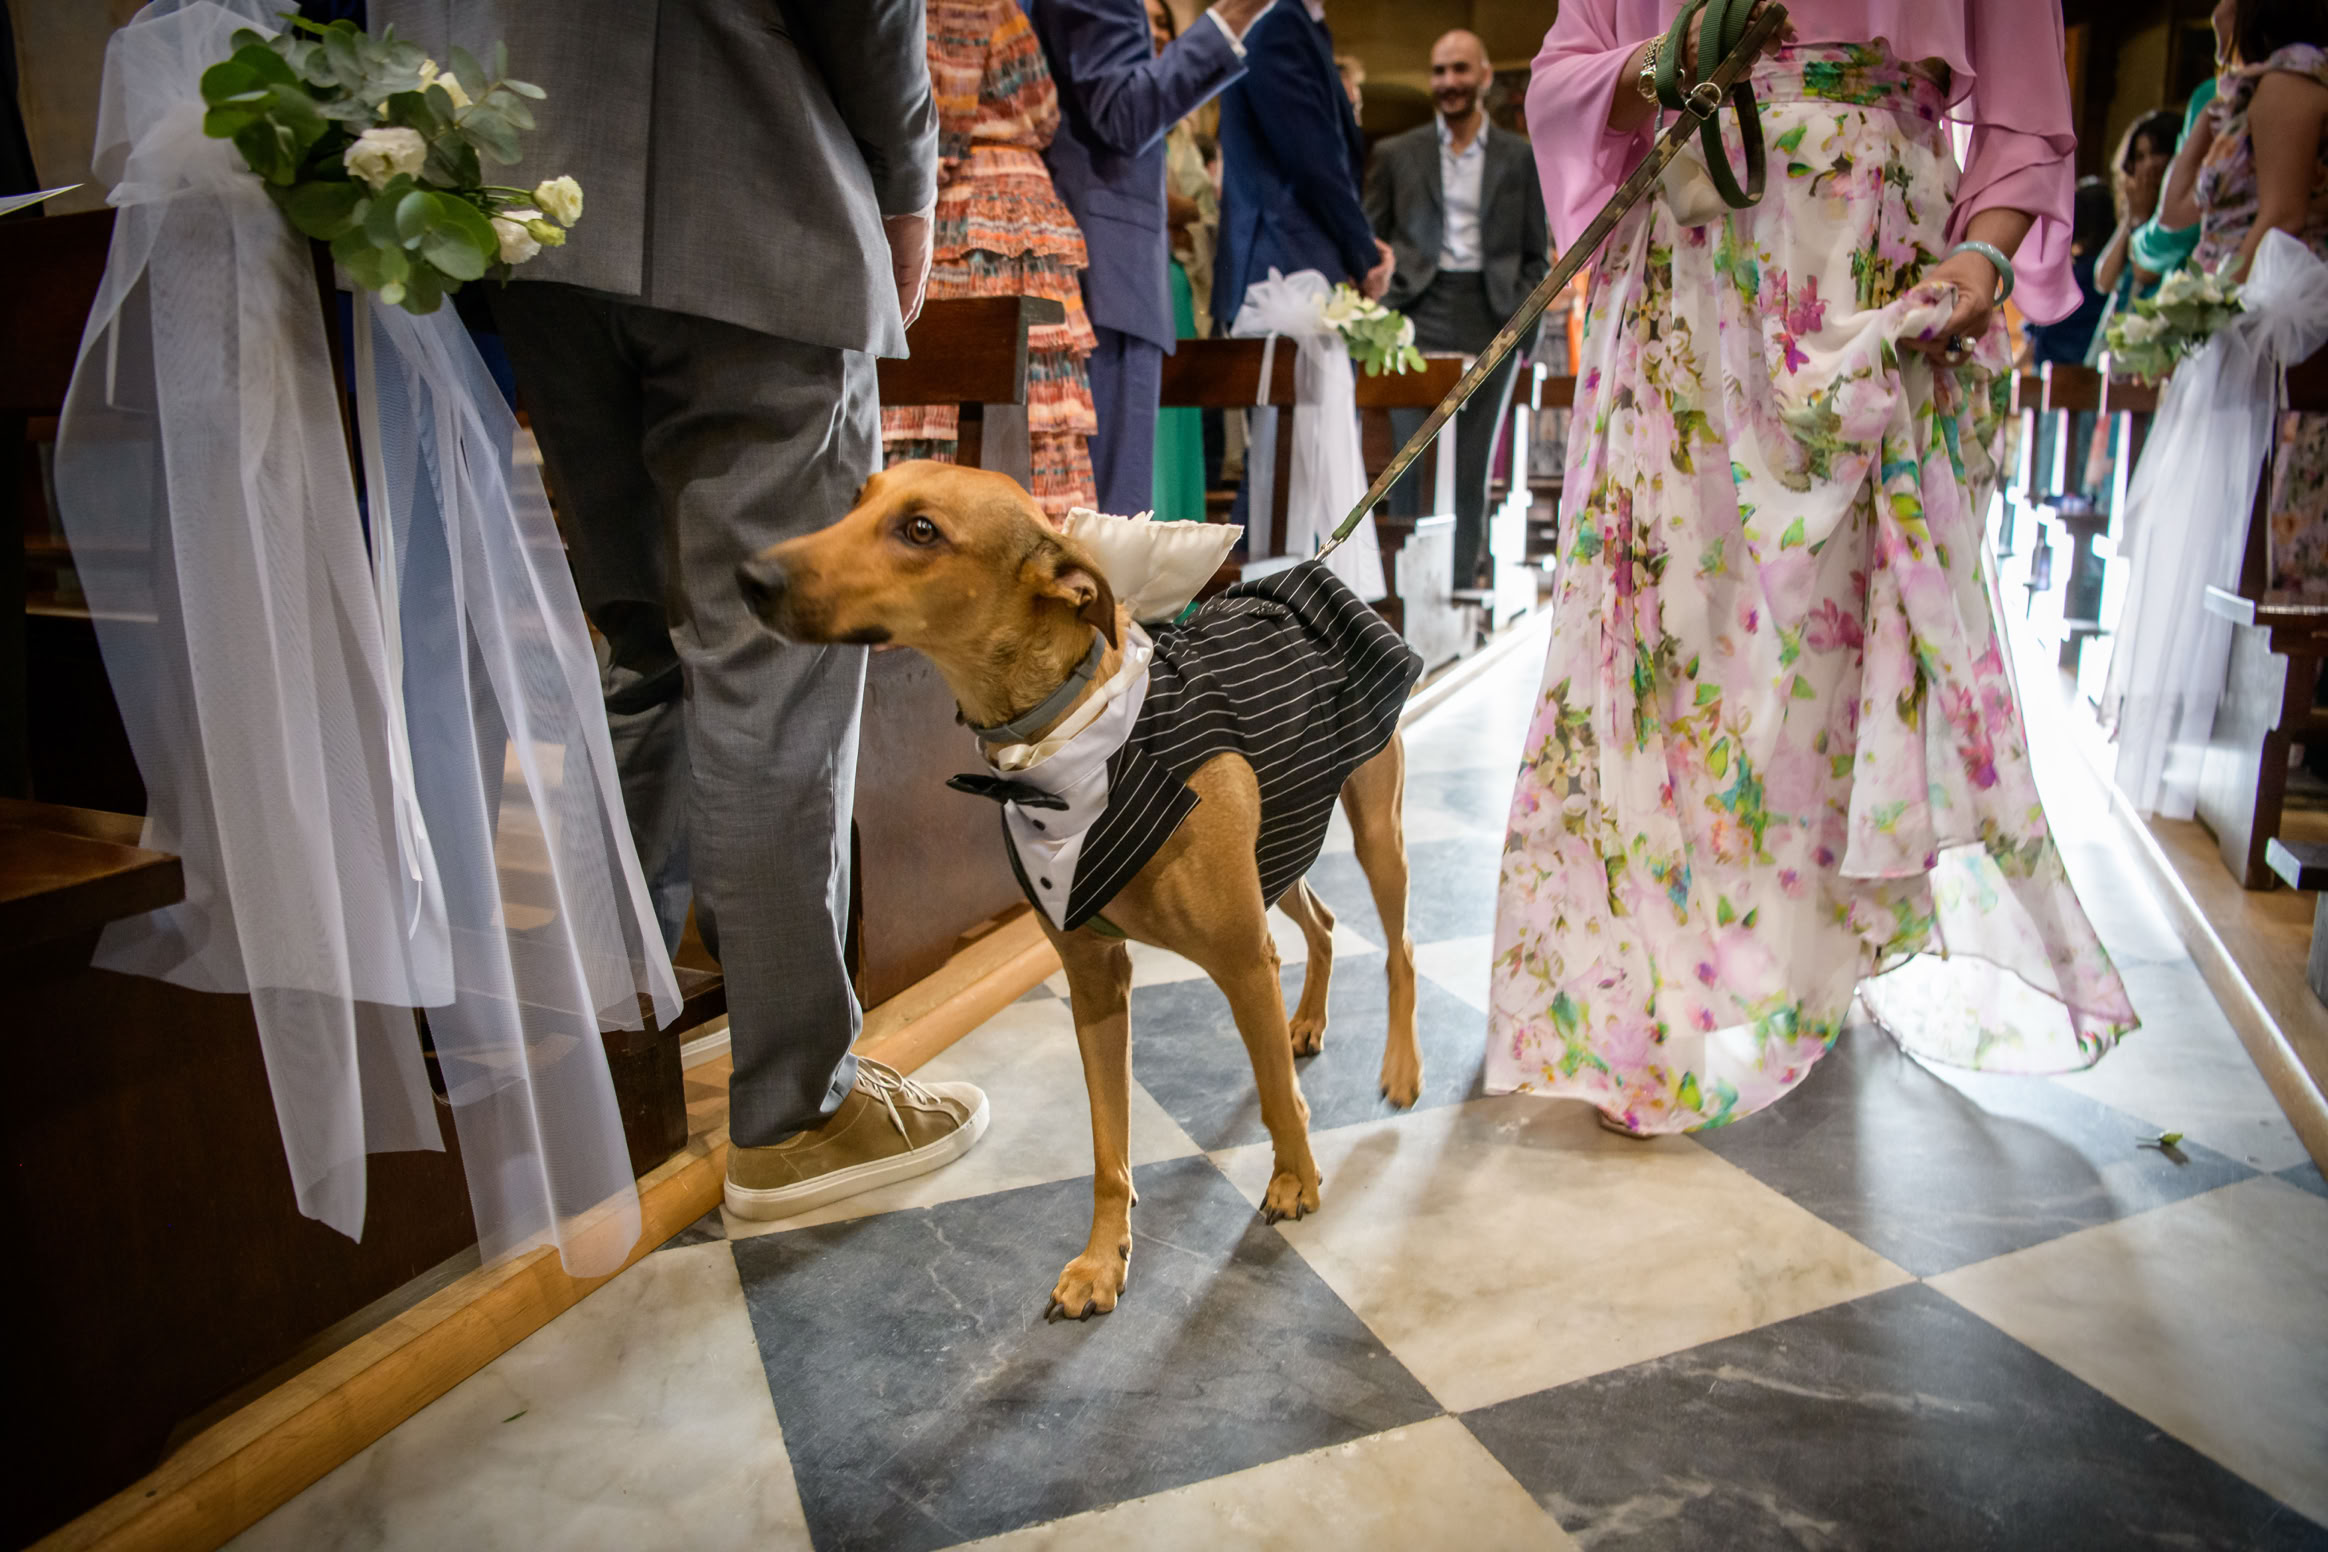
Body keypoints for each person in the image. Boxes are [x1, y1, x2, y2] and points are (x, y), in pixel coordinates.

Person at [376, 0, 991, 1218]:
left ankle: (606, 1064)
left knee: (644, 649)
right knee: (771, 669)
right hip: (752, 188)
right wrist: (907, 184)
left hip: (534, 210)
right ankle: (794, 1112)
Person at [1490, 0, 2136, 1136]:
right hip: (1696, 258)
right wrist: (1659, 60)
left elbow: (2029, 111)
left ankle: (1811, 959)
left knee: (1843, 650)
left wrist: (1986, 250)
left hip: (1881, 273)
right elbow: (1561, 79)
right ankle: (1658, 981)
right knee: (1668, 634)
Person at [1031, 0, 1274, 516]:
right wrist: (1233, 17)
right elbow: (1125, 112)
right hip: (1103, 263)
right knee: (1106, 523)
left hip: (1087, 254)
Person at [882, 0, 1099, 521]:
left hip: (976, 206)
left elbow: (933, 117)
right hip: (999, 204)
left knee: (973, 399)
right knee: (1010, 405)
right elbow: (1023, 111)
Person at [1365, 28, 1551, 590]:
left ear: (1485, 77)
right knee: (1409, 455)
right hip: (1414, 312)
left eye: (1460, 70)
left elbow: (1534, 253)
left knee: (1472, 459)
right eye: (1440, 71)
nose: (1449, 82)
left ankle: (1458, 586)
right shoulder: (1397, 153)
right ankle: (1403, 593)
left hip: (1490, 311)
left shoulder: (1522, 157)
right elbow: (1372, 240)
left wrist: (1521, 329)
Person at [2158, 0, 2328, 598]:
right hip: (2236, 301)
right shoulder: (2256, 88)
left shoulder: (2295, 79)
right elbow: (2174, 210)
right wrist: (2213, 105)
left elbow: (2282, 215)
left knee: (2247, 530)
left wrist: (2206, 306)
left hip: (2263, 314)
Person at [1214, 1, 1396, 333]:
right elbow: (1314, 160)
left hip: (1293, 263)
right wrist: (1365, 255)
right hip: (1283, 268)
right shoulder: (1279, 25)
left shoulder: (1304, 26)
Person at [1151, 0, 1219, 521]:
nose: (1153, 31)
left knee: (1176, 425)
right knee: (1148, 436)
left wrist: (1181, 208)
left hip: (1175, 281)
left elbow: (1200, 207)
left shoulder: (1181, 128)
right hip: (1142, 273)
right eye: (1144, 19)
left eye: (1162, 22)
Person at [2091, 108, 2184, 339]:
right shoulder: (2135, 212)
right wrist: (2131, 219)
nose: (2149, 165)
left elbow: (2146, 273)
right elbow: (2104, 280)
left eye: (2157, 153)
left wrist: (2142, 217)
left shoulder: (2180, 213)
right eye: (2140, 157)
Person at [2019, 176, 2115, 367]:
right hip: (2095, 371)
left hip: (2054, 372)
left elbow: (2036, 338)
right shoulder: (2111, 272)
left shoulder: (2071, 276)